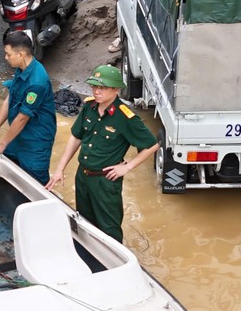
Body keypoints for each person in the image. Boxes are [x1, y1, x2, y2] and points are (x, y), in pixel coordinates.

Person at [47, 65, 158, 242]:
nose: (97, 92)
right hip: (83, 176)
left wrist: (127, 167)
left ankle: (115, 264)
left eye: (103, 88)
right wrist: (60, 169)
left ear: (115, 90)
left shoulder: (125, 117)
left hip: (105, 181)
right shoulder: (89, 107)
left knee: (109, 228)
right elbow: (76, 138)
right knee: (84, 222)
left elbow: (151, 145)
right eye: (94, 87)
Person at [0, 32, 57, 184]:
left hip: (35, 142)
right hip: (17, 137)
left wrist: (3, 143)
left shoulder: (37, 82)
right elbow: (11, 98)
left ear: (21, 54)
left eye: (8, 54)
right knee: (11, 173)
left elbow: (23, 118)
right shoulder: (22, 68)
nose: (5, 58)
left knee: (35, 182)